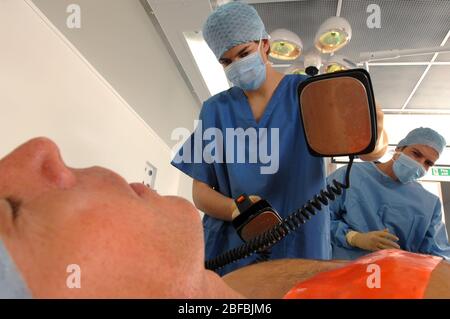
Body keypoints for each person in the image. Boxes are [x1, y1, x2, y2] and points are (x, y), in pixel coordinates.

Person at [1, 138, 449, 299]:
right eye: (9, 210)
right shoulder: (415, 286)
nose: (39, 148)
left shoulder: (237, 286)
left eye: (429, 163)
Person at [171, 1, 388, 275]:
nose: (236, 65)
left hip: (301, 243)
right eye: (226, 61)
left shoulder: (310, 94)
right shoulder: (215, 110)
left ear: (266, 45)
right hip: (232, 246)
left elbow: (370, 152)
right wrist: (237, 212)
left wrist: (376, 133)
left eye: (243, 53)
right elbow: (200, 191)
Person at [328, 127, 450, 260]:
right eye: (416, 153)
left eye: (428, 163)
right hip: (344, 272)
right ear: (399, 148)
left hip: (395, 277)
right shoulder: (350, 175)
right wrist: (353, 238)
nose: (419, 164)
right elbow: (317, 218)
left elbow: (439, 258)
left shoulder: (429, 204)